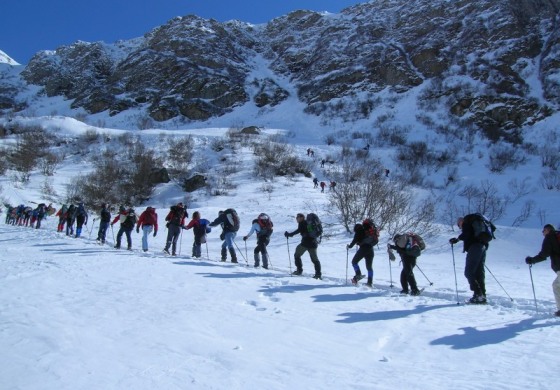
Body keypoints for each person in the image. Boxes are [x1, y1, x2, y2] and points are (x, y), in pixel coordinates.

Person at [449, 214, 489, 304]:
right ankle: (482, 296)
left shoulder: (467, 223)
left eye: (459, 225)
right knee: (479, 272)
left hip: (475, 248)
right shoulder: (476, 225)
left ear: (460, 222)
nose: (460, 227)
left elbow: (466, 234)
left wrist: (457, 239)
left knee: (469, 272)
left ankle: (478, 295)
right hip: (482, 247)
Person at [525, 224, 560, 317]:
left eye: (543, 231)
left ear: (547, 230)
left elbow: (544, 254)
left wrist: (532, 260)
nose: (542, 233)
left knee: (557, 286)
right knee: (556, 285)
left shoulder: (550, 237)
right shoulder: (557, 236)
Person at [284, 213, 322, 279]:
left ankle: (299, 270)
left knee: (297, 255)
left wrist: (289, 234)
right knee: (315, 259)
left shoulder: (303, 223)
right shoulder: (308, 223)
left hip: (305, 243)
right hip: (313, 243)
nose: (296, 218)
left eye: (298, 217)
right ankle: (318, 274)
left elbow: (298, 231)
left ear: (301, 217)